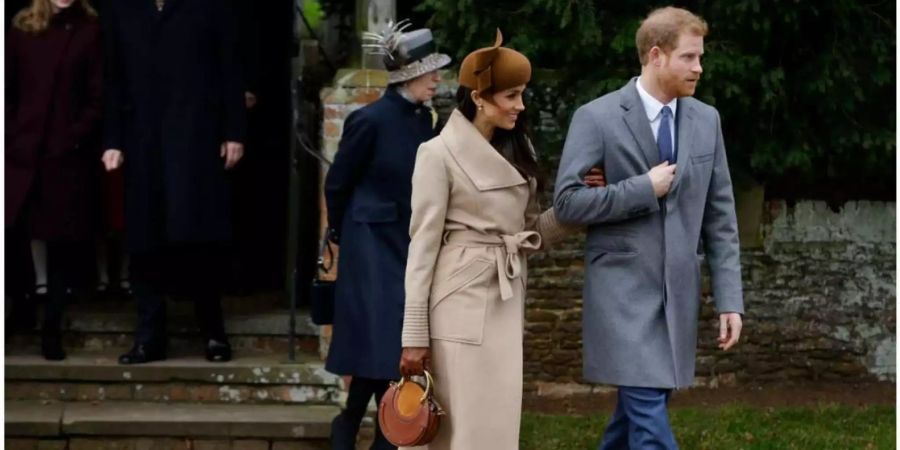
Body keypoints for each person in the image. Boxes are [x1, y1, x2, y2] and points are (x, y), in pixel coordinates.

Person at [553, 7, 745, 449]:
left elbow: (721, 218)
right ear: (656, 55)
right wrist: (643, 188)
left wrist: (729, 300)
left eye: (700, 58)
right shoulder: (596, 118)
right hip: (621, 294)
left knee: (634, 418)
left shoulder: (706, 120)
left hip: (676, 295)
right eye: (690, 57)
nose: (699, 67)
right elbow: (566, 203)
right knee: (649, 421)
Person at [398, 30, 588, 450]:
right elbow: (422, 247)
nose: (520, 106)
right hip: (457, 304)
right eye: (511, 95)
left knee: (496, 428)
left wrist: (580, 208)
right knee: (461, 430)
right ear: (480, 98)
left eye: (522, 95)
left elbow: (529, 234)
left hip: (505, 297)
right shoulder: (437, 154)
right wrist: (413, 334)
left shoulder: (518, 149)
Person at [323, 22, 452, 450]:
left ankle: (351, 426)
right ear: (408, 74)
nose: (437, 78)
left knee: (383, 346)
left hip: (407, 243)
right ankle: (380, 435)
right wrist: (340, 234)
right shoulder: (369, 120)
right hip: (371, 246)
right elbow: (337, 183)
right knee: (386, 342)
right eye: (430, 71)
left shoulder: (424, 121)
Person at [100, 0, 246, 364]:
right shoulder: (123, 10)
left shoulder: (208, 7)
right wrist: (113, 139)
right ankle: (150, 338)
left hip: (197, 136)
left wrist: (234, 131)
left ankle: (213, 331)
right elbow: (113, 80)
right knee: (145, 240)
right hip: (142, 140)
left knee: (200, 239)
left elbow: (230, 69)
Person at [5, 0, 102, 360]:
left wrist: (74, 136)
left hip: (65, 155)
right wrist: (13, 134)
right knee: (13, 231)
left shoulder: (89, 31)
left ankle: (52, 328)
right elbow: (8, 90)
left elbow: (97, 95)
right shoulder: (21, 31)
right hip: (22, 152)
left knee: (62, 242)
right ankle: (23, 306)